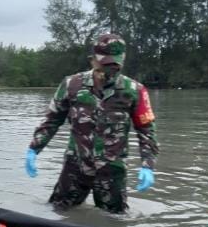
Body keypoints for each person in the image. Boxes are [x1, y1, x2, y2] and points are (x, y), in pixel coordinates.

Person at [25, 33, 159, 213]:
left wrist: (147, 165)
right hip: (75, 166)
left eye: (115, 65)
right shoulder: (71, 84)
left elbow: (146, 131)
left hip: (112, 170)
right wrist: (34, 148)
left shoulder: (135, 91)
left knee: (115, 222)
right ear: (93, 60)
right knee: (58, 213)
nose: (111, 69)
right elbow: (52, 120)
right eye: (106, 64)